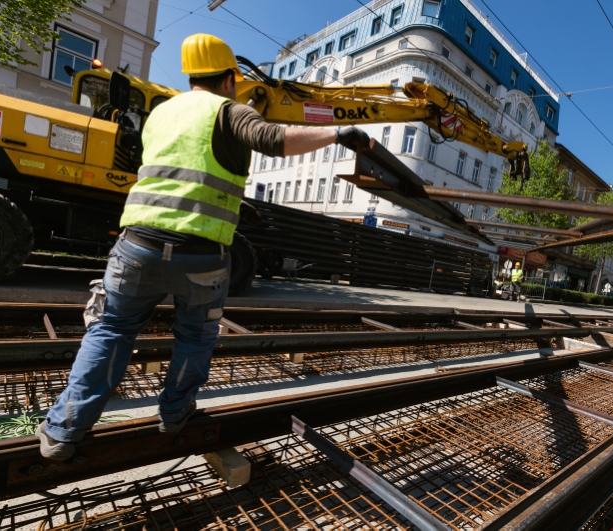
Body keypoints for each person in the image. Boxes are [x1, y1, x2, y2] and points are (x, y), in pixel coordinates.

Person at [35, 34, 371, 460]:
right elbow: (274, 139)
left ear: (191, 75)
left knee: (112, 330)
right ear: (231, 78)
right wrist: (338, 133)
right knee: (195, 336)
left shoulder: (161, 112)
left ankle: (64, 430)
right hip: (201, 255)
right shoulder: (229, 110)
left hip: (138, 244)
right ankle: (175, 415)